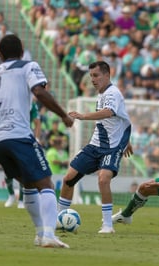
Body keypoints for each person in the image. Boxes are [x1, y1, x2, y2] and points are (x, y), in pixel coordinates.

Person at [0, 34, 74, 248]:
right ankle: (49, 235)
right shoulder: (27, 66)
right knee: (46, 183)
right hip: (18, 135)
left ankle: (41, 234)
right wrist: (63, 115)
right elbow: (39, 92)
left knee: (29, 185)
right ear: (22, 51)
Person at [57, 61, 133, 234]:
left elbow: (109, 112)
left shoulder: (112, 93)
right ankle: (59, 218)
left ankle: (107, 225)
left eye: (96, 75)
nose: (93, 79)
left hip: (112, 147)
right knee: (68, 179)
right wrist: (127, 139)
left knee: (103, 179)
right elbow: (121, 118)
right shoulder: (103, 94)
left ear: (107, 75)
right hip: (95, 145)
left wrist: (83, 116)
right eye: (91, 76)